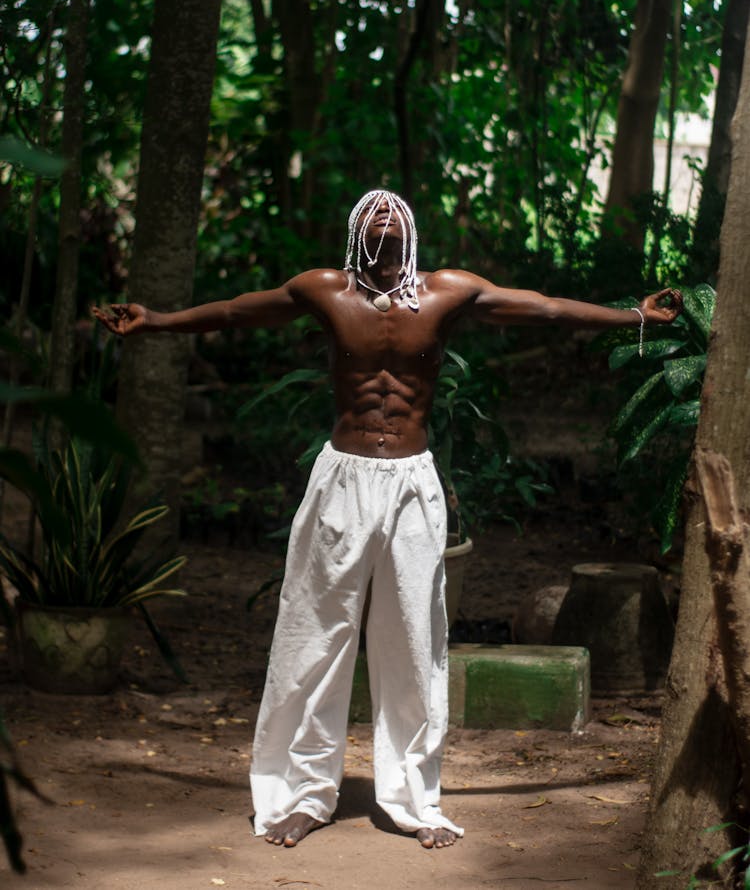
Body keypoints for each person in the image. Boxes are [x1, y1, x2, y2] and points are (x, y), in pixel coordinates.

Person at [94, 188, 683, 851]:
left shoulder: (447, 293)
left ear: (413, 229)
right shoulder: (325, 290)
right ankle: (302, 795)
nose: (385, 215)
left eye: (396, 210)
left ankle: (412, 800)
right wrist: (157, 321)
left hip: (410, 483)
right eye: (372, 210)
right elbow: (236, 313)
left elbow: (542, 309)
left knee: (412, 640)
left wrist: (630, 314)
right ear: (356, 229)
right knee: (313, 637)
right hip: (342, 479)